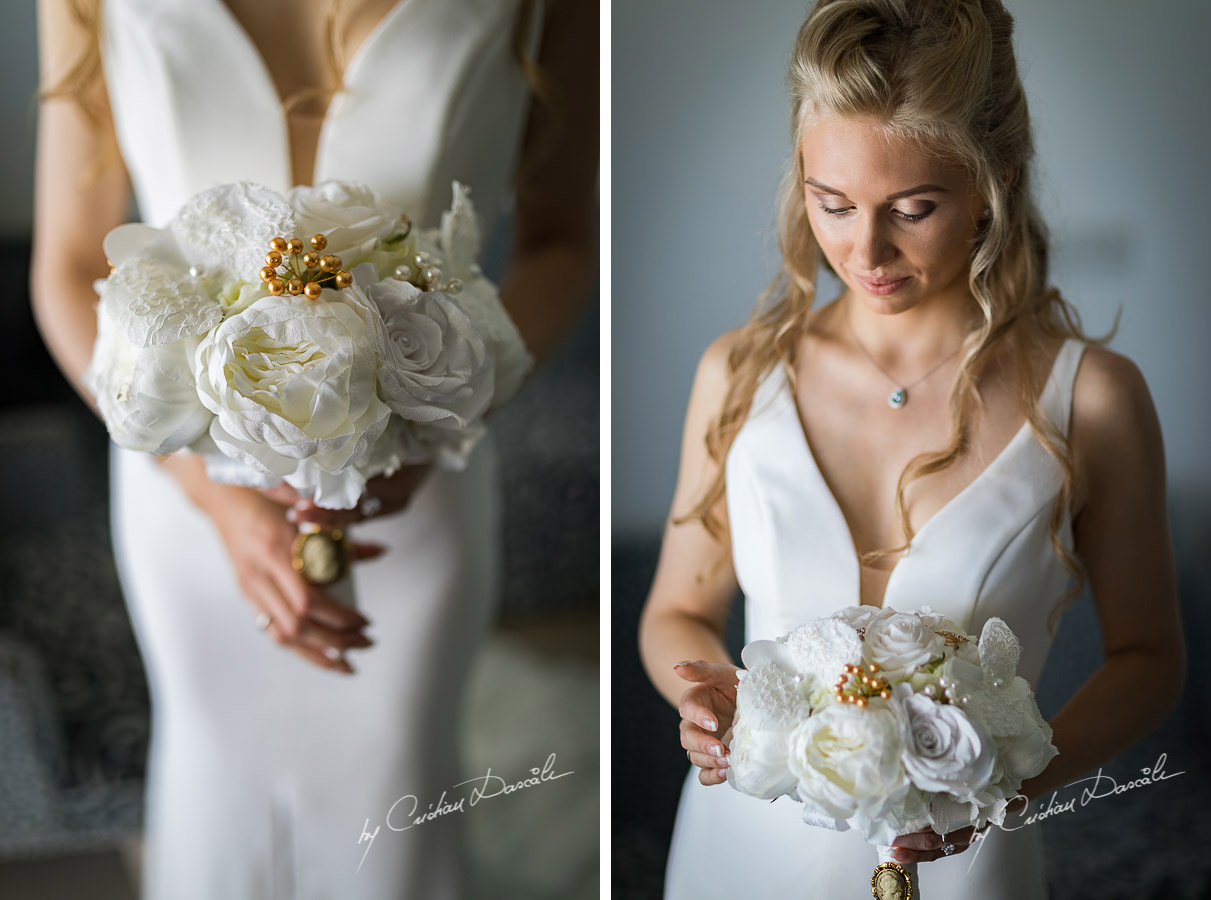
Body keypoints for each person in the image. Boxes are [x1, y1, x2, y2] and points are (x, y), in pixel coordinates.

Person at [31, 0, 596, 897]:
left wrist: (444, 414)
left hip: (420, 486)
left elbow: (563, 240)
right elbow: (64, 265)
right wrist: (214, 497)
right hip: (181, 488)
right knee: (217, 788)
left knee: (394, 802)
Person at [637, 1, 1184, 898]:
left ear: (992, 184)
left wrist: (1009, 790)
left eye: (913, 208)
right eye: (833, 203)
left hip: (972, 862)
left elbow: (1149, 660)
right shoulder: (738, 373)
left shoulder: (1092, 397)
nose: (865, 249)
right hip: (743, 851)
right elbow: (675, 612)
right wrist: (702, 699)